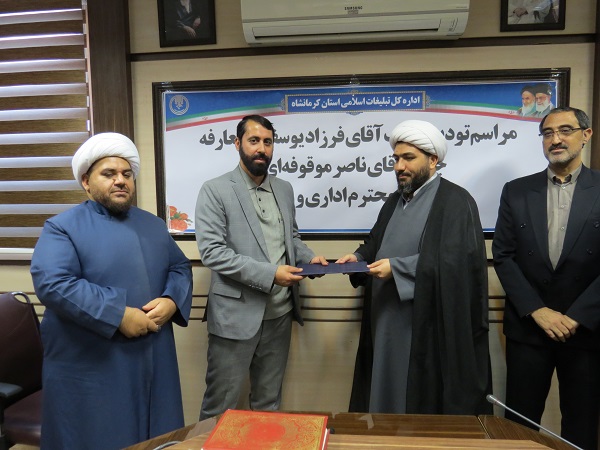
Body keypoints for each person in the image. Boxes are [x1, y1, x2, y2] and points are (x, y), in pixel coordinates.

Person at [30, 133, 193, 450]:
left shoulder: (153, 225)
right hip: (92, 364)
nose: (120, 180)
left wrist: (172, 300)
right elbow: (53, 282)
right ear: (86, 182)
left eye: (126, 174)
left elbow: (180, 267)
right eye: (109, 174)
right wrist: (118, 314)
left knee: (156, 437)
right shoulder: (62, 227)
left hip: (153, 357)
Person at [337, 119, 491, 415]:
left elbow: (456, 262)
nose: (399, 166)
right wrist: (357, 257)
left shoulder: (456, 201)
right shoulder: (394, 201)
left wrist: (398, 269)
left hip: (426, 324)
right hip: (385, 317)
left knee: (417, 399)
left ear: (433, 160)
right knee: (382, 392)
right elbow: (376, 241)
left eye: (408, 158)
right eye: (396, 159)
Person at [195, 114, 328, 420]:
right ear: (237, 143)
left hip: (279, 315)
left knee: (268, 406)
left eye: (268, 142)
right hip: (234, 317)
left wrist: (308, 258)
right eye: (254, 141)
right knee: (220, 407)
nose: (261, 149)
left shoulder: (284, 189)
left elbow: (291, 238)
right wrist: (271, 274)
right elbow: (213, 253)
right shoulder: (215, 190)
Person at [492, 107, 600, 450]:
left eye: (566, 130)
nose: (556, 139)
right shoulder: (517, 191)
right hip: (529, 327)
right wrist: (538, 311)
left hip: (585, 328)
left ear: (586, 135)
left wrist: (576, 316)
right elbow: (503, 255)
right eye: (548, 133)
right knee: (519, 425)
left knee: (581, 425)